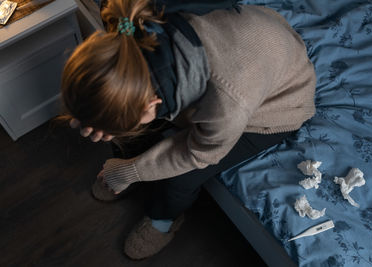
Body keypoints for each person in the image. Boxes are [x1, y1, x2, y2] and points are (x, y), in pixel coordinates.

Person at [60, 0, 316, 260]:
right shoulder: (131, 34)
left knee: (182, 177)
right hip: (243, 43)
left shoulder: (228, 101)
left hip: (279, 103)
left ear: (153, 102)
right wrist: (100, 113)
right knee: (138, 130)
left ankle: (163, 220)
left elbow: (197, 154)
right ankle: (127, 156)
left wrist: (130, 172)